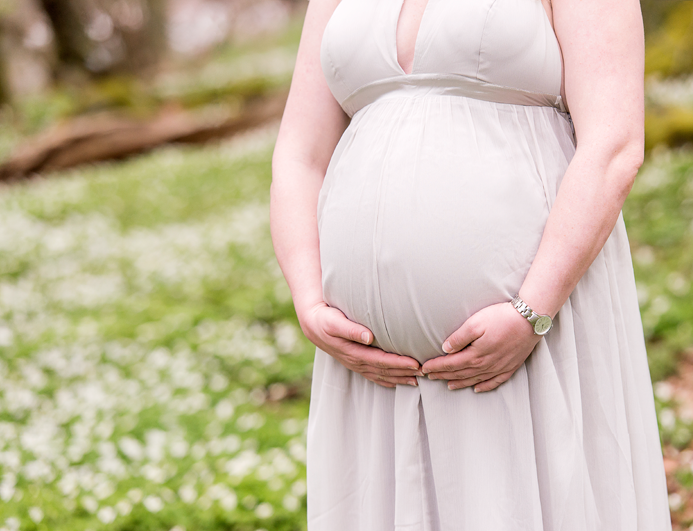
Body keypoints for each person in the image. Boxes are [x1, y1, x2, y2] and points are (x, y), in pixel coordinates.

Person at [270, 0, 672, 528]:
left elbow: (614, 145)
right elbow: (297, 156)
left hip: (529, 331)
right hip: (370, 371)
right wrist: (309, 300)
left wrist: (533, 311)